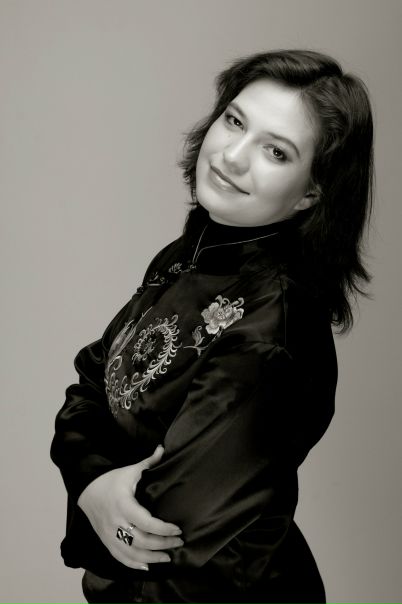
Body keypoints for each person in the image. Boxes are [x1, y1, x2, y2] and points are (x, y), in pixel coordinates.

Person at [50, 49, 374, 603]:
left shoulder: (273, 329)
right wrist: (92, 484)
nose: (233, 155)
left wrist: (101, 505)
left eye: (276, 151)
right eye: (235, 121)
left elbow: (164, 534)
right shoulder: (189, 253)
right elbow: (90, 384)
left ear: (312, 193)